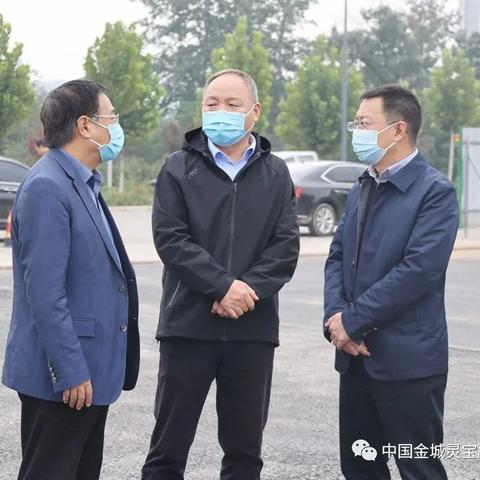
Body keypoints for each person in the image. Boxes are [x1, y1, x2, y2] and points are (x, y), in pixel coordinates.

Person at [142, 69, 300, 480]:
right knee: (167, 452)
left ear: (254, 111)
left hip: (252, 331)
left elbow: (285, 248)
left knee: (245, 456)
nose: (220, 111)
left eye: (232, 104)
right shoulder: (177, 168)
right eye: (212, 104)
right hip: (187, 329)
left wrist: (245, 291)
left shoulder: (276, 173)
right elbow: (171, 239)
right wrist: (221, 286)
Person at [2, 79, 140, 480]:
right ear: (85, 125)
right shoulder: (48, 187)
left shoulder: (82, 182)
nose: (115, 126)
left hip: (90, 373)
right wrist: (70, 369)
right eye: (110, 117)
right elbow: (45, 294)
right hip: (65, 379)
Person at [324, 84, 459, 480]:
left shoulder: (434, 191)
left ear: (398, 129)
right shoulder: (363, 185)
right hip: (356, 358)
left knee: (418, 467)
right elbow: (337, 257)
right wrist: (336, 319)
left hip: (409, 362)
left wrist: (353, 321)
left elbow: (418, 271)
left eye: (364, 123)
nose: (357, 132)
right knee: (360, 465)